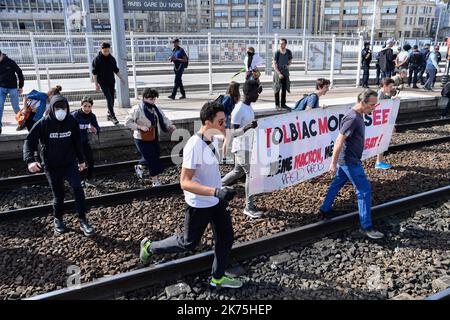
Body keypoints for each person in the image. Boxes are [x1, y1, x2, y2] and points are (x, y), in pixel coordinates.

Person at [139, 101, 243, 289]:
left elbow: (228, 135)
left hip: (216, 201)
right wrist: (216, 191)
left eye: (225, 121)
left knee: (226, 237)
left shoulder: (213, 137)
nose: (224, 125)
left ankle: (217, 277)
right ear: (207, 122)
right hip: (200, 204)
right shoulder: (194, 146)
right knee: (188, 243)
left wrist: (244, 129)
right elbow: (185, 182)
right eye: (221, 122)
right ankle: (149, 247)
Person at [23, 95, 95, 236]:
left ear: (67, 108)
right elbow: (29, 141)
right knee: (58, 194)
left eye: (63, 108)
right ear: (51, 108)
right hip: (52, 165)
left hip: (69, 163)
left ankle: (83, 219)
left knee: (78, 189)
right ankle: (58, 219)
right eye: (57, 108)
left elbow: (77, 142)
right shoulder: (44, 123)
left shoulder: (71, 121)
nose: (61, 111)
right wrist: (30, 160)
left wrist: (81, 160)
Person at [319, 89, 384, 240]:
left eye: (376, 104)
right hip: (350, 160)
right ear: (362, 103)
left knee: (337, 183)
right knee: (364, 190)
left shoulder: (359, 113)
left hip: (347, 159)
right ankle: (366, 227)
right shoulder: (353, 118)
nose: (374, 107)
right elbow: (339, 140)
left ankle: (324, 209)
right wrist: (333, 163)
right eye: (372, 105)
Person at [222, 80, 260, 218]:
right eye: (256, 92)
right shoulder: (238, 109)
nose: (258, 95)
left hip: (248, 145)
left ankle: (217, 185)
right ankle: (249, 207)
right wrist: (247, 127)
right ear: (247, 93)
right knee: (251, 174)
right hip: (241, 147)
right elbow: (232, 132)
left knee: (237, 172)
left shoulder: (249, 107)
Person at [125, 88, 176, 186]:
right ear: (144, 98)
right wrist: (139, 127)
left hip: (154, 136)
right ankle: (155, 181)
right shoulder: (137, 109)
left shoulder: (156, 108)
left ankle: (139, 167)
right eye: (150, 99)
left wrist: (170, 125)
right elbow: (127, 122)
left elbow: (163, 118)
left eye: (154, 99)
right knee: (152, 159)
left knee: (155, 155)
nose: (152, 101)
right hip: (141, 138)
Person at [92, 42, 126, 125]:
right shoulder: (97, 59)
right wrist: (96, 84)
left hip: (111, 81)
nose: (106, 53)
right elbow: (94, 73)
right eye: (105, 51)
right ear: (101, 50)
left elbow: (116, 70)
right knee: (109, 98)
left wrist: (122, 78)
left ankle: (109, 114)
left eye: (108, 51)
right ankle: (113, 116)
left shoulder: (112, 59)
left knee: (112, 98)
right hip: (102, 82)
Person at [71, 96, 100, 188]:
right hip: (73, 143)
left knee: (91, 160)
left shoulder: (92, 116)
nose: (87, 108)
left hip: (84, 142)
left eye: (89, 106)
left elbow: (97, 128)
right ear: (81, 106)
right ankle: (77, 181)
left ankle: (88, 179)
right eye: (85, 106)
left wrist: (95, 129)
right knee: (77, 163)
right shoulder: (75, 115)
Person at [0, 49, 24, 135]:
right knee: (0, 106)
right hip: (1, 88)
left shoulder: (10, 62)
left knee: (16, 107)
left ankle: (22, 123)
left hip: (12, 88)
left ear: (1, 55)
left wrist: (20, 86)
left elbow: (19, 73)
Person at [375, 77, 397, 170]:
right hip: (382, 124)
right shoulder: (380, 95)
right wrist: (390, 124)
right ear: (385, 86)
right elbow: (382, 112)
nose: (391, 88)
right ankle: (379, 162)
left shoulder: (382, 94)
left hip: (382, 123)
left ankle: (379, 161)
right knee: (382, 141)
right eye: (390, 86)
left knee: (382, 141)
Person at [221, 81, 240, 162]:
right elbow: (222, 107)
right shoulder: (228, 98)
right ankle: (224, 158)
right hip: (226, 120)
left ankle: (214, 137)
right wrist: (227, 116)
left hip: (227, 119)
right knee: (227, 138)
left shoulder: (231, 97)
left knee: (226, 137)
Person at [272, 38, 293, 110]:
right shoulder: (277, 52)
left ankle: (283, 104)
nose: (281, 45)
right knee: (277, 89)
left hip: (285, 72)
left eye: (282, 43)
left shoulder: (288, 52)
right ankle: (277, 105)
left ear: (285, 44)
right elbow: (274, 64)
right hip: (278, 73)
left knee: (284, 89)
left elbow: (290, 60)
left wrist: (288, 65)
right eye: (280, 43)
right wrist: (279, 73)